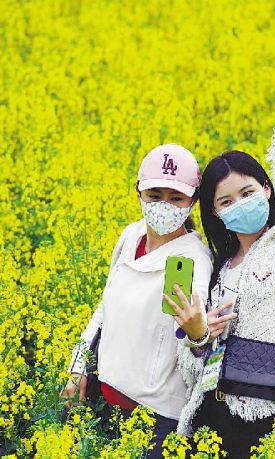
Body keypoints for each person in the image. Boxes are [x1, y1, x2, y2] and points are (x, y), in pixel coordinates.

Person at [165, 52, 275, 458]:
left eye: (247, 192)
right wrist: (199, 333)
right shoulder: (216, 266)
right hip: (212, 414)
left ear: (266, 190)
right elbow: (200, 349)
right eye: (225, 201)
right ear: (216, 214)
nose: (239, 204)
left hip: (267, 413)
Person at [62, 144, 233, 458]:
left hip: (152, 418)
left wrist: (198, 333)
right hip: (103, 400)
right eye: (155, 195)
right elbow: (105, 309)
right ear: (138, 192)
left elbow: (186, 335)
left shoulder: (188, 259)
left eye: (176, 198)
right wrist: (78, 367)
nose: (164, 206)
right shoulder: (131, 235)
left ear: (193, 201)